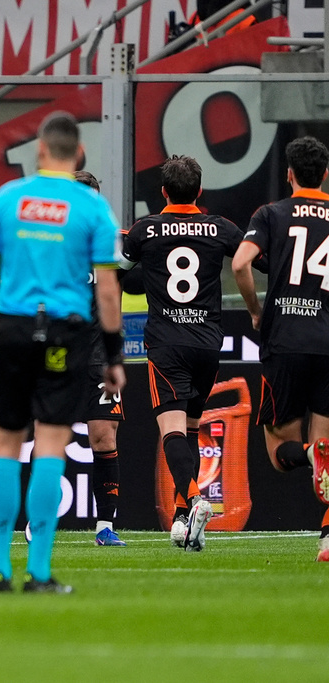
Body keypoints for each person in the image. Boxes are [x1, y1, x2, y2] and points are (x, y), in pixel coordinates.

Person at [0, 112, 125, 594]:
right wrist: (115, 357)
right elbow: (106, 290)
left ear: (39, 150)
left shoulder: (5, 199)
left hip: (14, 329)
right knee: (51, 443)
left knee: (6, 445)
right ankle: (38, 572)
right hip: (66, 334)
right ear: (78, 153)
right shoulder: (93, 208)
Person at [121, 155, 242, 552]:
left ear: (162, 192)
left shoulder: (146, 230)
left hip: (167, 344)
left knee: (171, 431)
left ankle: (193, 499)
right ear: (200, 191)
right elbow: (252, 258)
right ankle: (179, 518)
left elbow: (119, 271)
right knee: (190, 428)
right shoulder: (220, 227)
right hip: (208, 343)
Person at [232, 136, 329, 562]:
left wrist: (256, 311)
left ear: (289, 175)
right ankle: (327, 539)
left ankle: (309, 454)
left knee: (280, 455)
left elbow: (239, 263)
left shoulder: (271, 213)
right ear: (325, 175)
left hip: (285, 339)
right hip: (327, 343)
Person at [75, 171, 128, 547]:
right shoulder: (47, 246)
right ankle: (37, 522)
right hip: (56, 356)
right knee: (46, 439)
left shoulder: (112, 250)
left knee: (103, 437)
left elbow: (146, 275)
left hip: (97, 358)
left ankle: (104, 527)